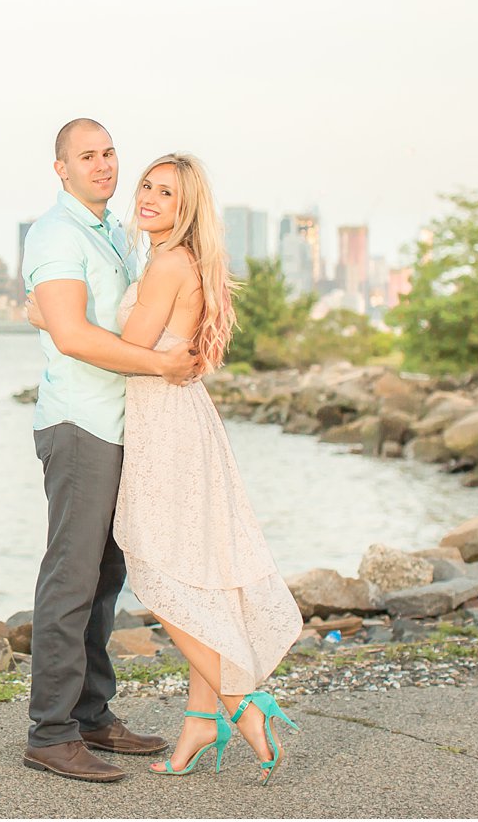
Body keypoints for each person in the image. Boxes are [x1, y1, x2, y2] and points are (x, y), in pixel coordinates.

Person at [28, 152, 303, 785]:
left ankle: (239, 701)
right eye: (147, 186)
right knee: (192, 571)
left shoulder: (168, 264)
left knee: (161, 575)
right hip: (170, 417)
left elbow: (129, 351)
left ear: (188, 210)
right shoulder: (162, 258)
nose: (149, 198)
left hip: (165, 428)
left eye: (167, 194)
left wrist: (48, 317)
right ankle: (199, 722)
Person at [18, 119, 200, 784]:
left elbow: (105, 320)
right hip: (80, 425)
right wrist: (160, 366)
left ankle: (92, 714)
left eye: (109, 153)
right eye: (86, 156)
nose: (102, 165)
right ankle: (52, 732)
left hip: (124, 428)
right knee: (71, 576)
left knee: (104, 578)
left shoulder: (117, 235)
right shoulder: (57, 233)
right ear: (61, 169)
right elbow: (73, 335)